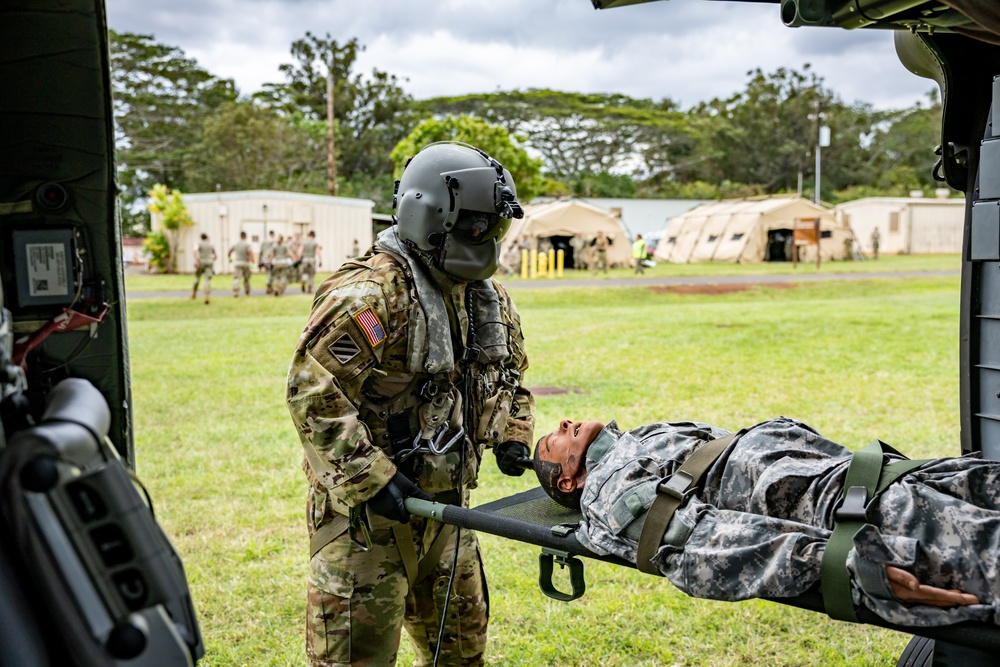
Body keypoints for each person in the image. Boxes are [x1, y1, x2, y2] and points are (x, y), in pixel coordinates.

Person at [287, 142, 536, 667]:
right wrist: (373, 479)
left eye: (493, 226)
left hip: (449, 519)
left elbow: (511, 376)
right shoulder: (369, 297)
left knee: (464, 658)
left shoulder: (485, 297)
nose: (484, 238)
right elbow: (314, 393)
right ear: (431, 215)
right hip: (365, 531)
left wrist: (514, 436)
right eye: (473, 225)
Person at [534, 417, 999, 628]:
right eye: (554, 440)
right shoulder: (608, 494)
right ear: (570, 482)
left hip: (890, 475)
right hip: (866, 517)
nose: (565, 421)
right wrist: (847, 563)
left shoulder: (644, 436)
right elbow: (702, 548)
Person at [191, 233, 216, 304]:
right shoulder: (211, 245)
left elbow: (195, 250)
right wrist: (211, 260)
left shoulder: (199, 243)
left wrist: (196, 261)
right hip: (209, 262)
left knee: (197, 277)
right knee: (207, 279)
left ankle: (194, 293)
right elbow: (215, 256)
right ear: (207, 237)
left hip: (201, 262)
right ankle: (206, 296)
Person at [228, 231, 255, 297]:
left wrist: (230, 259)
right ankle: (247, 292)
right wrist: (253, 262)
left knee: (237, 278)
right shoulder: (247, 244)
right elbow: (250, 252)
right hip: (245, 262)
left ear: (240, 236)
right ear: (245, 237)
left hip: (237, 262)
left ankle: (236, 290)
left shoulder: (236, 244)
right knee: (246, 278)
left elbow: (229, 251)